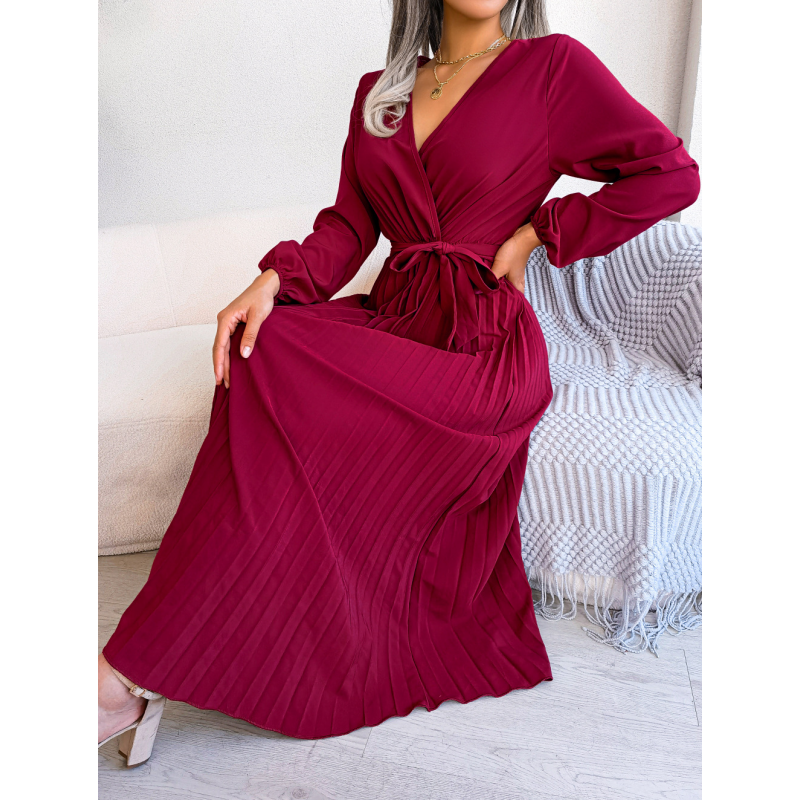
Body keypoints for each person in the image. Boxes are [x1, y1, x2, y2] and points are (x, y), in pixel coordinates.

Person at [98, 0, 700, 765]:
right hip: (397, 315)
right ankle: (160, 662)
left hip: (480, 343)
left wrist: (537, 234)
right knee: (264, 345)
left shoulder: (552, 69)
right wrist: (273, 281)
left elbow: (670, 174)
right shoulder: (378, 94)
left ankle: (122, 681)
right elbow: (350, 228)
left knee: (291, 385)